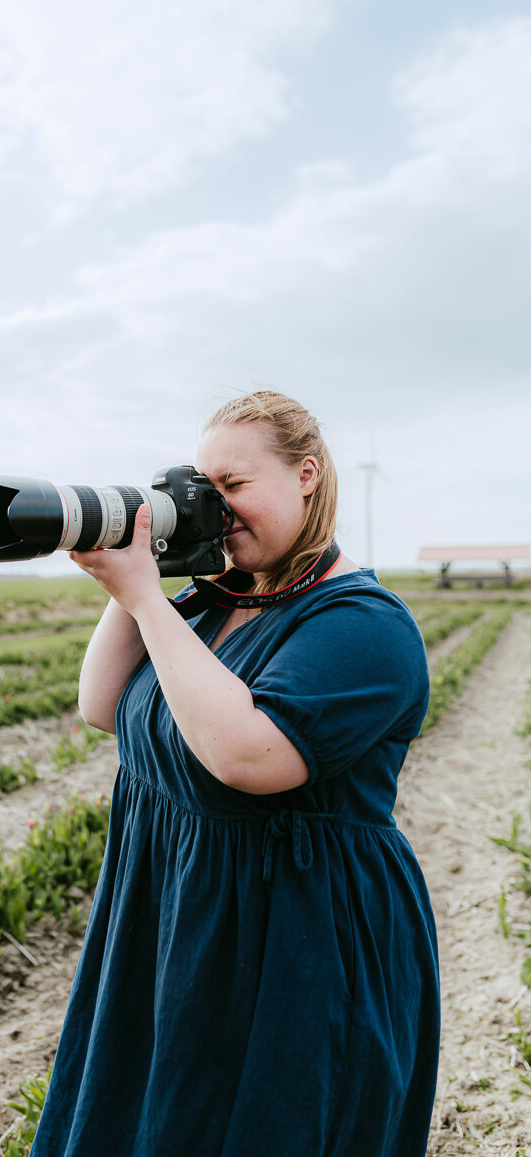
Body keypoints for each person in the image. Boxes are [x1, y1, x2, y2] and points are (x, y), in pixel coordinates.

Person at [30, 390, 440, 1157]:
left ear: (307, 475)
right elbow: (101, 703)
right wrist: (146, 566)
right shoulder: (216, 602)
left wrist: (147, 595)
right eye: (202, 486)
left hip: (295, 944)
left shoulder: (363, 625)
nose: (214, 507)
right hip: (173, 919)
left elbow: (248, 757)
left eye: (234, 487)